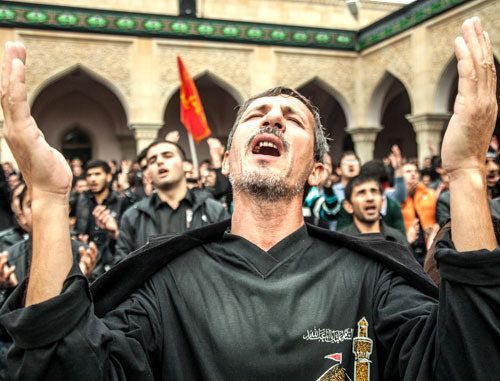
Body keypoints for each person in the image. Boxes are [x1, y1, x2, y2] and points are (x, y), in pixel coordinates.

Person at [0, 17, 499, 381]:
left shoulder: (372, 280)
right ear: (226, 160)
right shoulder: (167, 284)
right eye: (257, 113)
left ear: (319, 169)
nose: (273, 118)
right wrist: (46, 199)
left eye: (292, 117)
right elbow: (62, 367)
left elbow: (471, 358)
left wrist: (468, 172)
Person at [114, 140, 229, 264]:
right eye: (152, 160)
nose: (159, 161)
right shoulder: (133, 216)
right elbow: (121, 269)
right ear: (148, 173)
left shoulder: (213, 211)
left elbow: (228, 259)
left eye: (167, 156)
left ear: (186, 166)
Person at [339, 174, 409, 249]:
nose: (370, 198)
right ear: (348, 206)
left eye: (374, 192)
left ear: (382, 202)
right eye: (361, 193)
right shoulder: (340, 242)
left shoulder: (397, 240)